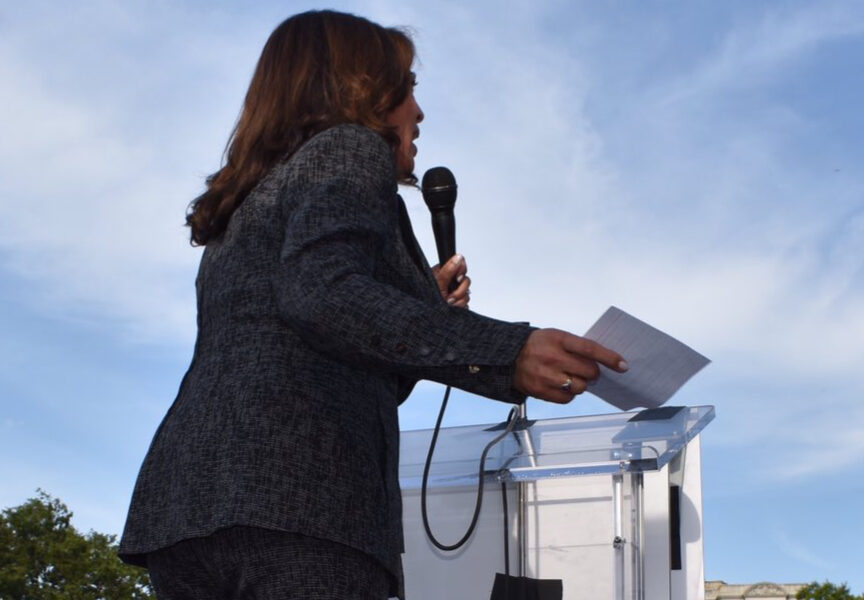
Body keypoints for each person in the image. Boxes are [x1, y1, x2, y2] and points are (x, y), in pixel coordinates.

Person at [118, 9, 628, 600]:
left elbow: (311, 336)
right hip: (303, 500)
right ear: (364, 90)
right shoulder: (349, 148)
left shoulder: (246, 201)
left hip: (188, 508)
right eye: (409, 87)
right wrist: (508, 349)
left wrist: (414, 306)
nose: (419, 111)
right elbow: (323, 295)